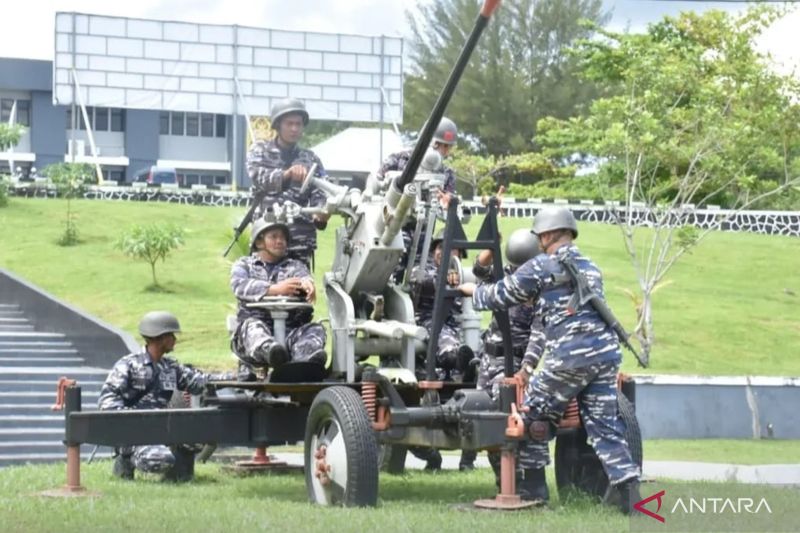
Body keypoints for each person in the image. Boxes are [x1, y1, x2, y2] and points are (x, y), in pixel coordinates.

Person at [459, 207, 641, 511]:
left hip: (570, 356)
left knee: (529, 415)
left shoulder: (541, 266)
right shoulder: (590, 265)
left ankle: (533, 490)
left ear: (546, 234)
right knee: (604, 428)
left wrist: (473, 292)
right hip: (606, 356)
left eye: (540, 235)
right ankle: (633, 500)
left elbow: (502, 295)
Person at [468, 229, 545, 481]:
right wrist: (493, 245)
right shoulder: (508, 275)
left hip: (513, 365)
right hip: (488, 361)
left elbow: (539, 334)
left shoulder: (541, 290)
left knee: (507, 419)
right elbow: (479, 271)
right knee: (487, 420)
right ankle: (503, 479)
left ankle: (520, 480)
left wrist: (526, 370)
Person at [98, 311, 211, 482]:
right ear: (161, 338)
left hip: (162, 428)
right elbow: (107, 401)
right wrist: (130, 423)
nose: (175, 339)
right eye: (171, 335)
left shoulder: (171, 367)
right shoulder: (128, 365)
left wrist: (231, 379)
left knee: (196, 437)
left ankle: (180, 477)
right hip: (135, 432)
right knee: (159, 459)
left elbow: (198, 383)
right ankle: (125, 460)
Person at [407, 229, 474, 471]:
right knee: (447, 343)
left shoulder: (462, 275)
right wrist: (445, 278)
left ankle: (468, 461)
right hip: (426, 326)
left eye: (453, 250)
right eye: (441, 248)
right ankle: (455, 358)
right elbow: (421, 281)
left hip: (453, 329)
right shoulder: (420, 269)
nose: (445, 253)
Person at [230, 216, 326, 380]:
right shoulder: (244, 265)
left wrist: (307, 284)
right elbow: (238, 285)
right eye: (274, 237)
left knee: (315, 329)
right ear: (259, 242)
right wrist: (275, 289)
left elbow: (303, 277)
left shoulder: (294, 266)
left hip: (290, 334)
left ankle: (305, 360)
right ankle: (272, 352)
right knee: (252, 327)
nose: (280, 241)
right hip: (252, 339)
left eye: (283, 237)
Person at [246, 98, 330, 268]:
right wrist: (287, 175)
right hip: (267, 238)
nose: (294, 129)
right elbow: (259, 177)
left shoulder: (311, 159)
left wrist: (321, 213)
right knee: (265, 288)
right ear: (277, 125)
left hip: (300, 242)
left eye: (298, 124)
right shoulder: (260, 151)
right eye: (289, 124)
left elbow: (321, 192)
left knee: (299, 291)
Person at [376, 117, 459, 282]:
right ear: (432, 143)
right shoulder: (398, 161)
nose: (446, 152)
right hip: (394, 231)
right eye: (443, 146)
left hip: (424, 235)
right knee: (389, 276)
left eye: (448, 147)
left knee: (423, 280)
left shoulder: (446, 173)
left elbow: (449, 198)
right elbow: (377, 185)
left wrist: (449, 201)